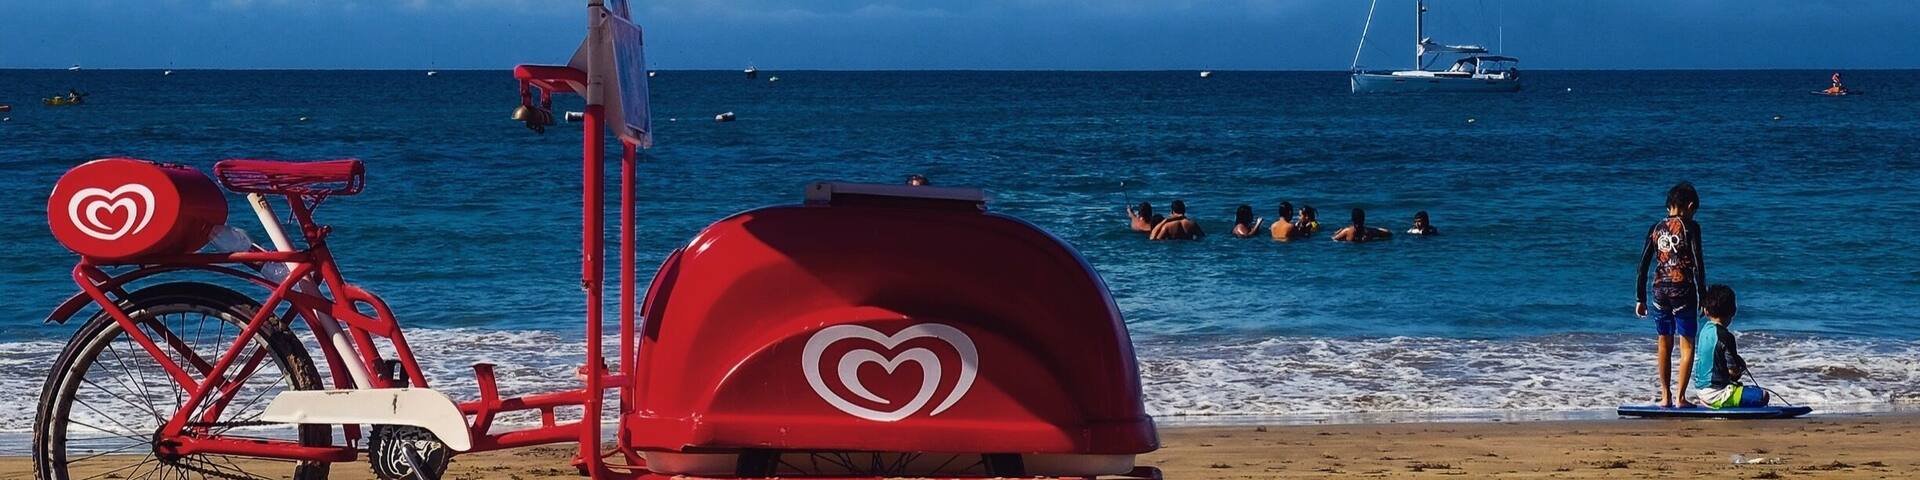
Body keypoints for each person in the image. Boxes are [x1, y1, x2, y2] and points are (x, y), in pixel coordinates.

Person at [1635, 181, 1706, 408]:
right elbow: (1697, 263)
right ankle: (1680, 397)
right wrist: (1703, 296)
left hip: (1659, 290)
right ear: (1690, 206)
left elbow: (1643, 264)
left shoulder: (1655, 228)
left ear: (1669, 206)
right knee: (1687, 345)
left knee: (1663, 344)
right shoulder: (1691, 227)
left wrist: (1640, 298)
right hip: (1683, 289)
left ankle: (1665, 397)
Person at [1690, 285, 1768, 409]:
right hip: (1717, 393)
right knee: (1763, 396)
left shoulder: (1704, 330)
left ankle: (1716, 400)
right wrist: (1741, 366)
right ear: (1733, 311)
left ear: (1706, 311)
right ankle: (1720, 402)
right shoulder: (1726, 336)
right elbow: (1733, 370)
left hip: (1701, 390)